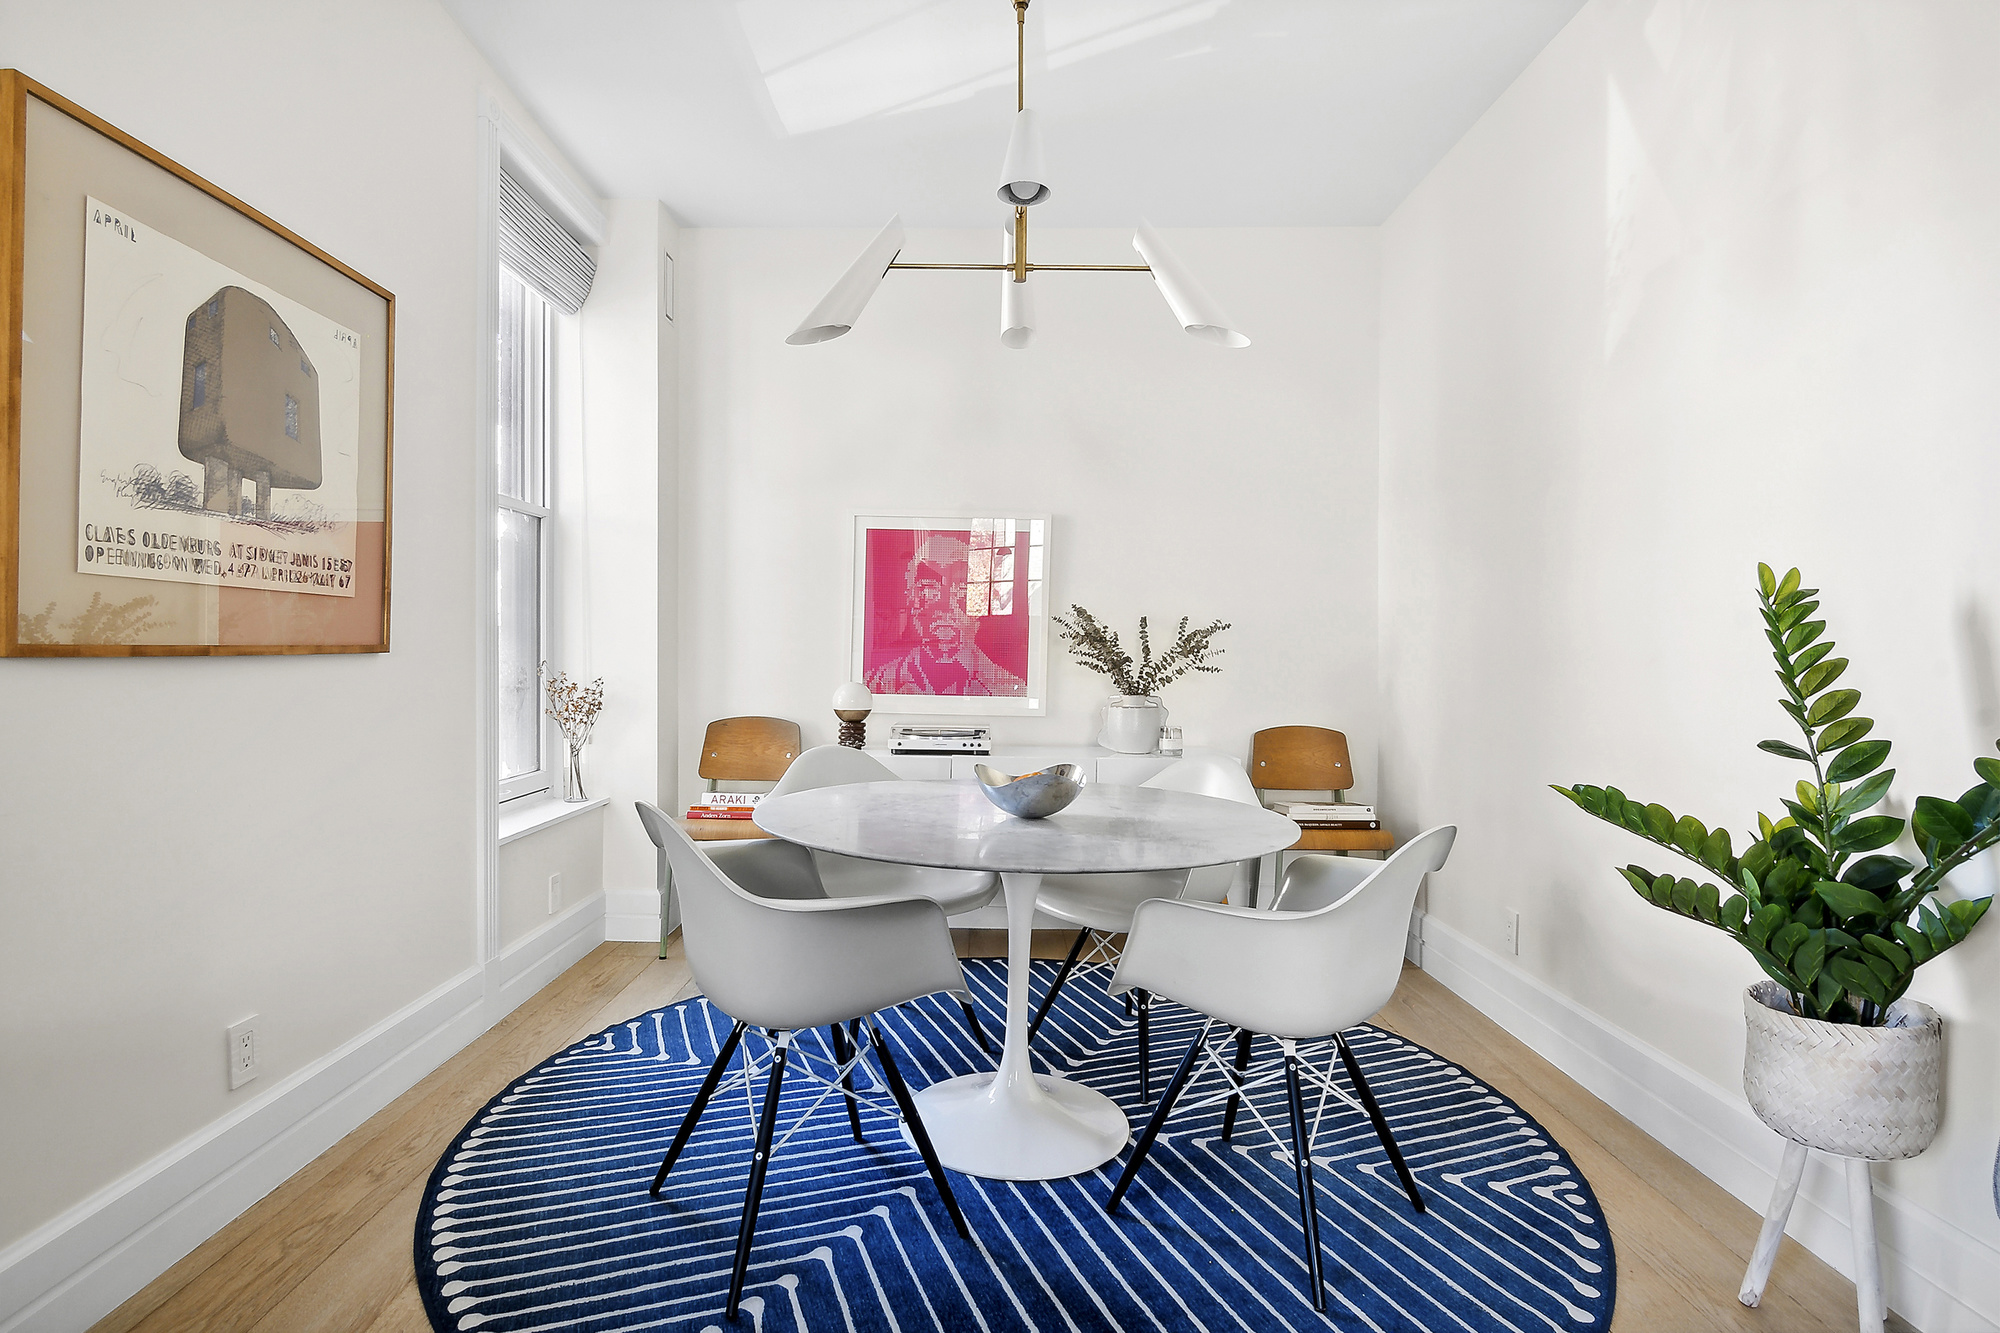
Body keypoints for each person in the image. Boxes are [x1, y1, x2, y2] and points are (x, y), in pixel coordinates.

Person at [865, 531, 1026, 697]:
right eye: (928, 589)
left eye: (961, 587)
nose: (946, 605)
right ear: (911, 600)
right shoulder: (876, 686)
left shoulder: (1010, 690)